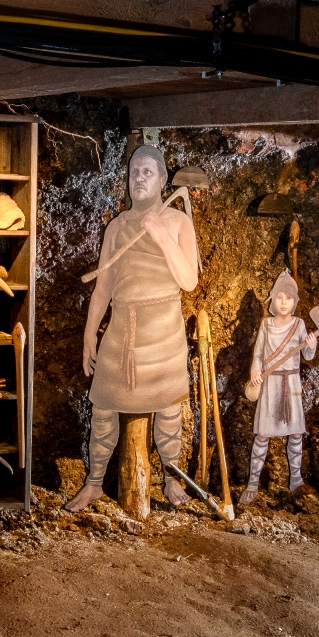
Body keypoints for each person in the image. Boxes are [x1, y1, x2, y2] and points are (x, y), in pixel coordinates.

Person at [66, 145, 200, 512]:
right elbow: (103, 288)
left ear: (161, 179)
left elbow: (189, 280)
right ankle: (94, 483)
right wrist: (89, 335)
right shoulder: (117, 226)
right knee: (103, 407)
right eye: (134, 172)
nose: (138, 179)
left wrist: (161, 235)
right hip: (123, 325)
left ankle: (171, 479)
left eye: (147, 172)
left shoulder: (178, 222)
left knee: (169, 410)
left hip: (163, 327)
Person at [242, 270, 318, 502]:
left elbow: (307, 356)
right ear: (273, 300)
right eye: (279, 297)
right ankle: (252, 483)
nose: (283, 302)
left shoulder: (299, 324)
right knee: (262, 434)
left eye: (288, 298)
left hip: (291, 384)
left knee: (295, 433)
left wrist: (311, 345)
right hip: (270, 385)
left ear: (295, 301)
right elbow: (258, 354)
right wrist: (256, 371)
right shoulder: (266, 325)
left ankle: (296, 480)